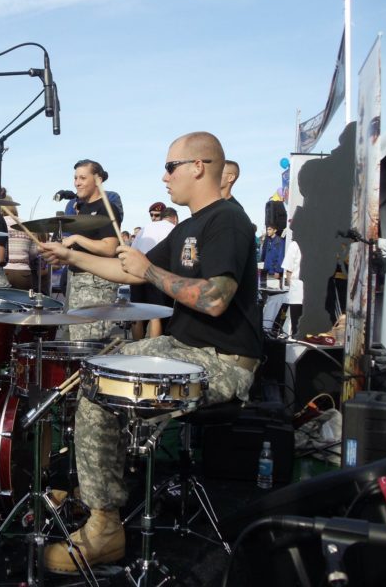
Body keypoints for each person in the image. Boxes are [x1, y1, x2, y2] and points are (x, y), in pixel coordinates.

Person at [39, 132, 261, 572]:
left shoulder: (228, 221)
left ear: (199, 166)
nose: (164, 177)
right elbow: (129, 270)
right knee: (94, 370)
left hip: (222, 360)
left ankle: (105, 529)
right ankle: (95, 488)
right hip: (181, 346)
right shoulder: (188, 226)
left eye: (171, 166)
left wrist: (151, 271)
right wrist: (71, 257)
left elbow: (215, 297)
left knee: (103, 392)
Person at [62, 159, 121, 340]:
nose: (76, 183)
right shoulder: (81, 208)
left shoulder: (107, 207)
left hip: (95, 285)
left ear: (98, 180)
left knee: (89, 344)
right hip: (76, 281)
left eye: (82, 178)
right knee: (72, 339)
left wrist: (77, 238)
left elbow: (109, 248)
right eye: (75, 178)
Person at [129, 205, 178, 339]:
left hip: (136, 273)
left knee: (137, 315)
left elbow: (132, 251)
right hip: (157, 274)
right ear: (175, 219)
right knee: (157, 315)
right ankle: (154, 354)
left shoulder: (145, 228)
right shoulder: (174, 229)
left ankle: (135, 348)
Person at [1, 190, 36, 290]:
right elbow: (34, 253)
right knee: (24, 304)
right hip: (23, 273)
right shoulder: (26, 225)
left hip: (3, 272)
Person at [281, 238, 304, 336]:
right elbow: (288, 271)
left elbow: (288, 271)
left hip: (299, 290)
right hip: (298, 290)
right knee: (297, 326)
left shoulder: (295, 244)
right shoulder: (295, 244)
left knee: (299, 326)